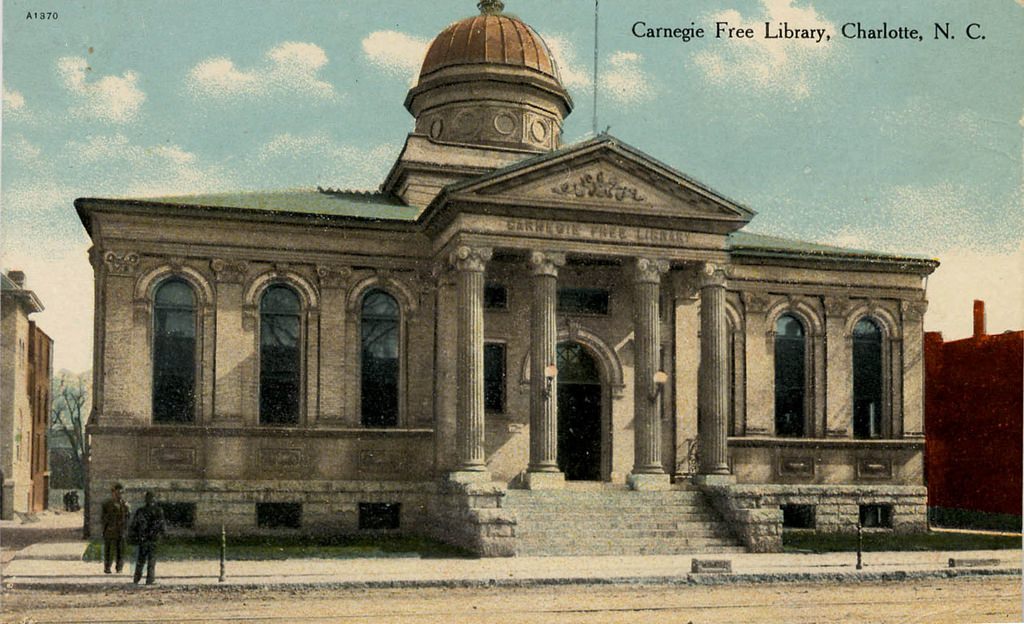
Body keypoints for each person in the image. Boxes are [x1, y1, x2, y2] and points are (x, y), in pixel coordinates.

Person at [129, 491, 166, 585]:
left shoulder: (140, 510)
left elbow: (134, 524)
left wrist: (134, 535)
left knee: (141, 559)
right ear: (153, 499)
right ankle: (150, 579)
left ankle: (136, 578)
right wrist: (163, 534)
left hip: (143, 538)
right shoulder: (158, 510)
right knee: (151, 560)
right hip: (153, 538)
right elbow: (161, 524)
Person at [100, 483, 130, 574]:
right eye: (117, 493)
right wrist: (106, 527)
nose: (119, 495)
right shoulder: (107, 504)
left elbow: (128, 517)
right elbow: (103, 518)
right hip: (110, 530)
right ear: (113, 493)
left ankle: (119, 567)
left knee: (121, 550)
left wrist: (125, 527)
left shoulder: (125, 504)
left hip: (121, 530)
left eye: (121, 493)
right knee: (109, 550)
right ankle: (107, 567)